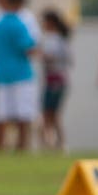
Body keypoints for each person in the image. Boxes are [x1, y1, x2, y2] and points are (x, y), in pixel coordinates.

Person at [0, 0, 38, 150]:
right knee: (23, 116)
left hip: (0, 75)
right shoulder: (20, 24)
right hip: (21, 75)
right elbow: (29, 49)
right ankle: (21, 149)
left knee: (1, 116)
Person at [39, 9, 72, 150]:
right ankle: (58, 143)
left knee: (48, 114)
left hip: (54, 80)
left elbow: (50, 57)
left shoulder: (53, 39)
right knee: (53, 114)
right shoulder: (61, 39)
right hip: (59, 80)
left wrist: (39, 54)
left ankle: (50, 144)